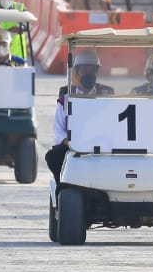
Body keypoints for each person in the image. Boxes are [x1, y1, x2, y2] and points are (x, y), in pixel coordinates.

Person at [45, 50, 113, 178]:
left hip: (101, 146)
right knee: (52, 157)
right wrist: (67, 140)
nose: (89, 73)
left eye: (92, 70)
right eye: (85, 70)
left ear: (97, 72)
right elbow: (59, 129)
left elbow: (113, 124)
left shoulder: (107, 97)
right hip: (73, 145)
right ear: (76, 72)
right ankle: (64, 188)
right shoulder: (65, 100)